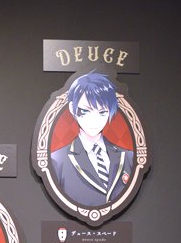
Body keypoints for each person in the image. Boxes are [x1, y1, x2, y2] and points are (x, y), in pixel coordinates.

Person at [50, 72, 134, 207]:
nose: (94, 119)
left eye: (102, 112)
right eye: (86, 111)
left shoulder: (128, 157)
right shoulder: (57, 160)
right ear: (72, 108)